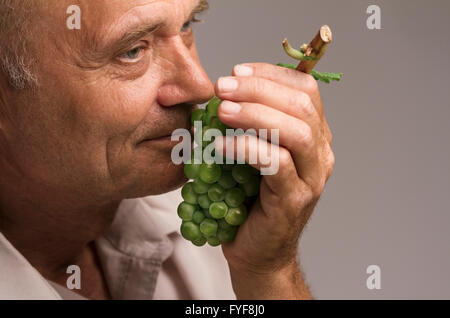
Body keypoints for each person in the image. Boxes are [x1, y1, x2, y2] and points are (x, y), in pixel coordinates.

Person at [0, 0, 335, 300]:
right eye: (132, 51)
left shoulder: (208, 221)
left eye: (187, 26)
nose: (200, 85)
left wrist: (270, 277)